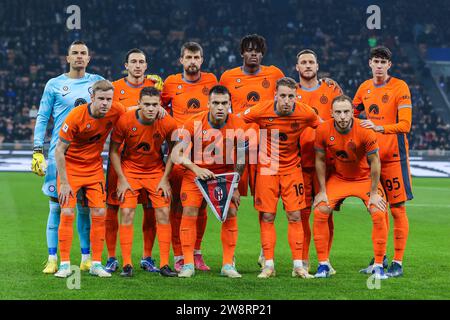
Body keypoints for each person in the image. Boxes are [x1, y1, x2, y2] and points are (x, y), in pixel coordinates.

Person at [32, 40, 104, 274]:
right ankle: (53, 258)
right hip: (59, 155)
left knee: (83, 208)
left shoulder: (96, 82)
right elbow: (43, 117)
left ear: (89, 58)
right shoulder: (54, 84)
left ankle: (86, 257)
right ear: (68, 58)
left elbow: (115, 104)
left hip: (87, 157)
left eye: (84, 53)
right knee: (57, 208)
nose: (80, 57)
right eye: (75, 53)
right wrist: (37, 149)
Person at [240, 77, 321, 279]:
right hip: (267, 168)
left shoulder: (305, 112)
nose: (286, 100)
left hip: (292, 168)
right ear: (275, 94)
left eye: (290, 96)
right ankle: (268, 265)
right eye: (282, 95)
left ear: (296, 97)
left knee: (295, 216)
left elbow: (324, 127)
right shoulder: (261, 110)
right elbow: (238, 120)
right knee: (267, 216)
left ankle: (298, 266)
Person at [54, 80, 126, 278]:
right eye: (101, 99)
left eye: (109, 99)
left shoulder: (116, 110)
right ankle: (65, 264)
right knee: (67, 212)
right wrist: (65, 182)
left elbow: (133, 112)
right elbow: (59, 150)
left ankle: (95, 263)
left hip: (94, 168)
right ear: (92, 98)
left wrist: (159, 110)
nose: (105, 103)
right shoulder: (77, 115)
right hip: (71, 168)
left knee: (100, 213)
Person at [174, 85, 247, 278]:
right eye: (216, 103)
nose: (220, 107)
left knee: (231, 210)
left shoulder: (238, 124)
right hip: (195, 174)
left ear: (230, 104)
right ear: (208, 104)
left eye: (224, 103)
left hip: (223, 175)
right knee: (189, 209)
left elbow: (240, 159)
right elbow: (176, 154)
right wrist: (197, 168)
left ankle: (227, 265)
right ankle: (188, 264)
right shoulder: (193, 122)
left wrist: (235, 185)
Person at [313, 95, 388, 280]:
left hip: (364, 179)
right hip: (340, 179)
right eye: (338, 112)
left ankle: (378, 266)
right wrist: (322, 191)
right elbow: (320, 160)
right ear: (331, 113)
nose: (343, 116)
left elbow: (375, 162)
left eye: (346, 112)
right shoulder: (323, 129)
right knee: (320, 210)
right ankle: (324, 265)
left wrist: (373, 193)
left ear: (352, 113)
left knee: (378, 212)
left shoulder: (365, 130)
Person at [353, 46, 413, 277]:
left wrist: (379, 127)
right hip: (372, 160)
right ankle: (381, 258)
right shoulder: (364, 88)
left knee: (398, 209)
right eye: (375, 61)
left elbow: (405, 125)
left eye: (383, 62)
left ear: (389, 65)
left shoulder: (400, 87)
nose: (379, 65)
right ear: (369, 63)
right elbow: (352, 115)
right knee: (378, 210)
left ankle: (397, 262)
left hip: (395, 159)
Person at [105, 48, 164, 273]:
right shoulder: (114, 87)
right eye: (133, 62)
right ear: (126, 65)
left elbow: (164, 112)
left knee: (150, 209)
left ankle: (147, 257)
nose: (137, 65)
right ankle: (112, 257)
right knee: (113, 207)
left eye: (141, 62)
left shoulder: (156, 87)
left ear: (146, 65)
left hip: (149, 158)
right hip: (120, 156)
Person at [161, 42, 218, 272]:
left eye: (196, 57)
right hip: (180, 151)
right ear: (181, 60)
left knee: (201, 206)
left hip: (204, 154)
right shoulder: (171, 83)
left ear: (202, 60)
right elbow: (159, 107)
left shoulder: (212, 80)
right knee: (177, 207)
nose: (192, 61)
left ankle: (196, 253)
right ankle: (178, 255)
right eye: (188, 57)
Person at [109, 87, 177, 277]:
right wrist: (121, 179)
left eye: (154, 105)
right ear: (139, 104)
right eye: (146, 104)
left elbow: (174, 151)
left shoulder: (168, 122)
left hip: (156, 172)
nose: (150, 108)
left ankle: (164, 264)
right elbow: (114, 151)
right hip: (130, 171)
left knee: (164, 213)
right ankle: (127, 264)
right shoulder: (125, 120)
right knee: (127, 213)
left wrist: (165, 179)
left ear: (160, 105)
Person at [295, 49, 342, 273]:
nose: (307, 65)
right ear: (297, 68)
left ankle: (325, 259)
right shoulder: (290, 93)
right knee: (302, 213)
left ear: (317, 65)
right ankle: (303, 260)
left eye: (311, 62)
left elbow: (343, 118)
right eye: (303, 62)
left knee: (325, 212)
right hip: (300, 162)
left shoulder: (331, 89)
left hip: (328, 163)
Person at [220, 34, 284, 198]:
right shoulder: (228, 77)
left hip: (267, 143)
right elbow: (220, 105)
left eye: (257, 51)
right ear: (242, 53)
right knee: (231, 196)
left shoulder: (275, 74)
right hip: (237, 142)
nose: (254, 54)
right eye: (249, 50)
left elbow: (290, 94)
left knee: (266, 197)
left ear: (262, 54)